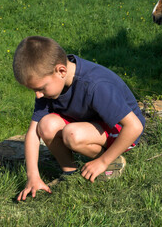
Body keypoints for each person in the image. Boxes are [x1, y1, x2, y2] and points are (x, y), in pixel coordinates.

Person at [13, 36, 145, 201]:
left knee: (72, 134)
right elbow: (33, 132)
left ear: (61, 71)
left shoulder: (95, 85)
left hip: (122, 131)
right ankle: (70, 173)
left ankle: (111, 161)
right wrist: (33, 176)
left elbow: (135, 127)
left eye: (40, 89)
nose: (38, 95)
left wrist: (103, 161)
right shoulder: (51, 81)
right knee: (46, 125)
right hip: (90, 124)